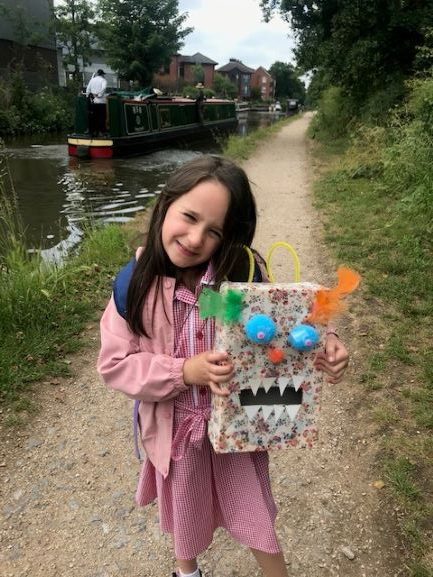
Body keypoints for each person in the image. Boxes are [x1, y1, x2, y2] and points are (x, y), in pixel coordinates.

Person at [97, 155, 350, 577]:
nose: (195, 238)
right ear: (165, 204)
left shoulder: (241, 274)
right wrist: (183, 372)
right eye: (189, 217)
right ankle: (187, 570)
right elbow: (115, 364)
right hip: (177, 434)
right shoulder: (134, 286)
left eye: (213, 231)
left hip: (237, 433)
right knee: (185, 514)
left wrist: (328, 343)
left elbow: (286, 322)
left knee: (255, 518)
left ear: (228, 236)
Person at [86, 69, 108, 136]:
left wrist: (89, 97)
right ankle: (102, 132)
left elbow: (88, 89)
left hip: (93, 102)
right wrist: (99, 95)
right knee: (102, 117)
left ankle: (92, 132)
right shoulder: (103, 80)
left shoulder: (92, 80)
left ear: (97, 74)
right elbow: (104, 88)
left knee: (93, 117)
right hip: (101, 102)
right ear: (102, 74)